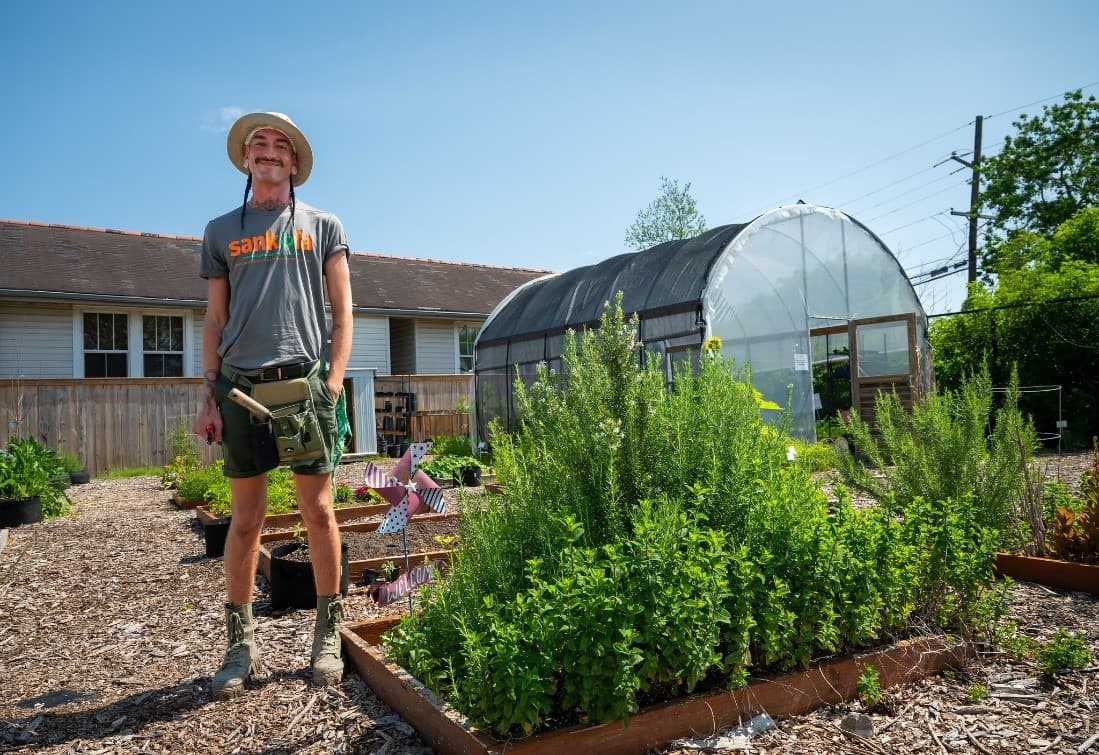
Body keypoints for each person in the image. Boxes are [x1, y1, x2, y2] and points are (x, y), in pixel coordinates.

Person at [193, 112, 353, 699]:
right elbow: (214, 318)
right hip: (239, 388)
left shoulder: (323, 226)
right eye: (259, 143)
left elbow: (344, 314)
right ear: (246, 159)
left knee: (318, 511)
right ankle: (240, 643)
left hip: (305, 385)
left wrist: (332, 384)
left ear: (293, 162)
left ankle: (329, 632)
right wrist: (209, 392)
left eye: (279, 145)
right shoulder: (220, 231)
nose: (268, 151)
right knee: (246, 521)